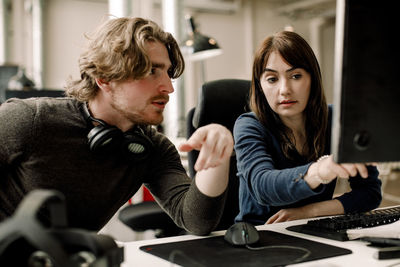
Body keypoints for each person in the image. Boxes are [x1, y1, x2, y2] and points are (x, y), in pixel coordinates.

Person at [0, 17, 233, 235]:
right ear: (104, 78)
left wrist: (217, 158)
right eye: (152, 71)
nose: (168, 88)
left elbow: (196, 221)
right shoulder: (29, 119)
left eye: (167, 73)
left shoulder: (151, 148)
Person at [233, 31, 382, 225]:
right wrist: (320, 170)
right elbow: (263, 188)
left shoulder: (339, 120)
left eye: (296, 76)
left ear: (312, 79)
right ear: (260, 86)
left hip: (316, 228)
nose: (284, 89)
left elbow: (370, 193)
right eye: (272, 79)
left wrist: (310, 211)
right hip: (259, 236)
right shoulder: (249, 125)